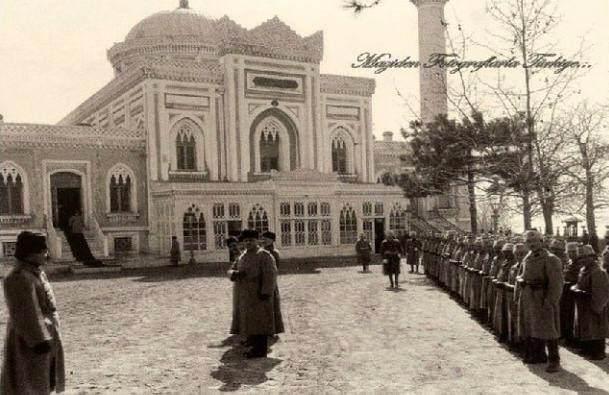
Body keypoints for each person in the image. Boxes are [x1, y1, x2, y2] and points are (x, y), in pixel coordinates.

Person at [1, 231, 65, 394]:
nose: (46, 254)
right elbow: (24, 312)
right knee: (28, 383)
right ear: (30, 253)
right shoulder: (18, 277)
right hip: (30, 342)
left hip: (45, 337)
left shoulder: (35, 273)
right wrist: (39, 341)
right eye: (42, 251)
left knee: (42, 382)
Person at [229, 229, 281, 358]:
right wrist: (233, 274)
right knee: (248, 320)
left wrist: (266, 292)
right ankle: (252, 342)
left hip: (258, 294)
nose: (248, 243)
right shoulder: (243, 255)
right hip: (244, 295)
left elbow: (271, 275)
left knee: (260, 321)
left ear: (257, 241)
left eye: (251, 240)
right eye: (246, 241)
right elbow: (231, 269)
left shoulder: (264, 255)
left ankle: (260, 350)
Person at [517, 230, 564, 373]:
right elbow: (521, 275)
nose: (531, 244)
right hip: (529, 298)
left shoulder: (551, 259)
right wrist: (521, 282)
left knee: (550, 330)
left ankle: (554, 360)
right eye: (528, 242)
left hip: (543, 298)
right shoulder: (527, 258)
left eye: (534, 241)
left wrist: (550, 302)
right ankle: (538, 356)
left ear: (541, 241)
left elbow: (556, 284)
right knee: (533, 327)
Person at [571, 245, 609, 360]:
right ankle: (588, 349)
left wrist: (597, 307)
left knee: (597, 329)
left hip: (594, 304)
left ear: (592, 257)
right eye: (581, 258)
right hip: (584, 304)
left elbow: (600, 292)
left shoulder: (598, 272)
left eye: (585, 257)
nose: (583, 260)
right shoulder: (583, 270)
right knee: (586, 328)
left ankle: (598, 352)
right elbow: (579, 283)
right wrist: (575, 288)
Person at [260, 231, 285, 340]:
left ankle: (271, 330)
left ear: (272, 240)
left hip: (270, 283)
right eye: (263, 238)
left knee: (271, 306)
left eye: (267, 239)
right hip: (261, 282)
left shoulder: (274, 252)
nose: (264, 240)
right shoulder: (261, 252)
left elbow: (274, 269)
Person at [560, 242, 580, 345]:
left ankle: (574, 338)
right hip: (566, 291)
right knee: (566, 313)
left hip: (574, 291)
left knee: (573, 315)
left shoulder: (580, 263)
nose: (571, 254)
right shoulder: (569, 262)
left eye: (573, 252)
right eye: (569, 252)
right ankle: (567, 335)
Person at [226, 236, 243, 337]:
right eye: (230, 247)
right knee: (237, 305)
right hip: (238, 283)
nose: (233, 248)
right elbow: (234, 266)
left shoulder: (243, 253)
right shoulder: (236, 255)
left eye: (234, 245)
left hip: (246, 283)